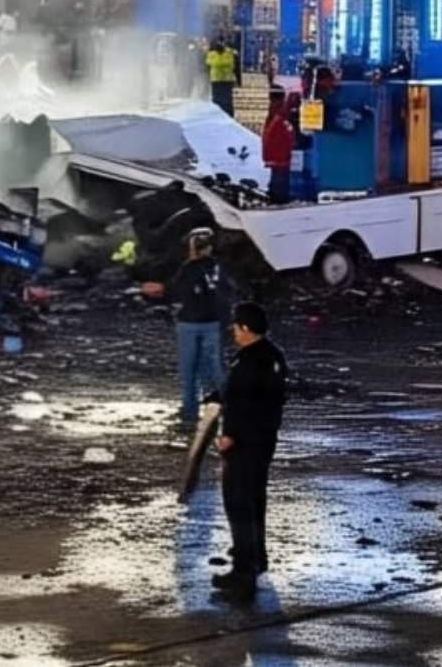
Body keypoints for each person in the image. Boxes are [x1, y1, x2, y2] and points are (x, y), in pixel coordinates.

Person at [212, 301, 289, 605]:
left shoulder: (246, 362)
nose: (233, 331)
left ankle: (243, 577)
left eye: (235, 326)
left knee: (240, 507)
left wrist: (228, 436)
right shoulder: (273, 356)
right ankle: (255, 561)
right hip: (263, 442)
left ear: (245, 328)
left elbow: (241, 403)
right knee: (255, 503)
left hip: (244, 446)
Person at [167, 230, 233, 426]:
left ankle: (189, 412)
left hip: (189, 323)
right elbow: (227, 293)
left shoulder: (189, 268)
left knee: (189, 370)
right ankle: (221, 407)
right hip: (212, 323)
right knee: (213, 368)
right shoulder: (218, 268)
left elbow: (176, 291)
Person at [262, 86, 294, 204]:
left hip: (273, 153)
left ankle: (275, 194)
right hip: (281, 154)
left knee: (277, 175)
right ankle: (279, 196)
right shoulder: (282, 113)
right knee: (280, 177)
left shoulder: (273, 113)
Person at [207, 40, 239, 117]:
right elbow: (229, 63)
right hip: (223, 80)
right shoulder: (229, 54)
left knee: (222, 99)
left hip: (219, 80)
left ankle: (224, 114)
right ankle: (224, 114)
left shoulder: (212, 55)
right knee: (223, 99)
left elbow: (211, 63)